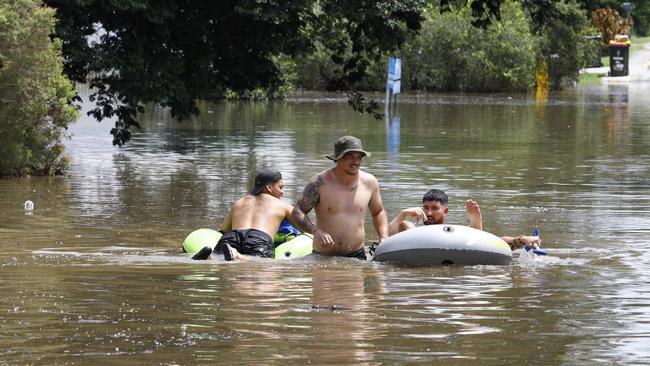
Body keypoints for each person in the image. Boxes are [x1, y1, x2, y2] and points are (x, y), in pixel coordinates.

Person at [290, 135, 389, 260]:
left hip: (357, 256)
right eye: (350, 157)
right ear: (338, 158)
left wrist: (384, 237)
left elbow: (378, 212)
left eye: (359, 157)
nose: (356, 162)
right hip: (322, 256)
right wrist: (316, 231)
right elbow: (297, 212)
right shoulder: (320, 182)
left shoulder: (370, 182)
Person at [387, 189, 541, 250]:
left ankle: (523, 239)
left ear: (445, 211)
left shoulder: (456, 233)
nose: (429, 212)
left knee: (482, 238)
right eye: (426, 208)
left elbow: (496, 242)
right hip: (418, 242)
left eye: (434, 208)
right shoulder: (411, 230)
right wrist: (403, 214)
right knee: (406, 225)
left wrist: (521, 239)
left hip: (457, 244)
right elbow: (384, 240)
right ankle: (475, 226)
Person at [217, 168, 299, 261]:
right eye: (280, 187)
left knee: (218, 256)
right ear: (269, 187)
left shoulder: (240, 201)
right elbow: (305, 227)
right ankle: (237, 256)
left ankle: (209, 256)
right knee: (262, 261)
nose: (282, 192)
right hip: (259, 239)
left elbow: (223, 230)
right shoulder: (282, 205)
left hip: (232, 236)